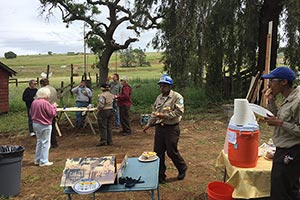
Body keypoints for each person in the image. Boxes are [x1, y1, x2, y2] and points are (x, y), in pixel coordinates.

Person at [262, 66, 300, 200]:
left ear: (283, 82)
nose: (269, 84)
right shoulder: (287, 97)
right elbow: (277, 115)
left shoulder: (298, 100)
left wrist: (280, 123)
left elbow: (282, 121)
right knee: (287, 190)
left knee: (282, 193)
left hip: (292, 152)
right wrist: (271, 100)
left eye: (272, 81)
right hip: (282, 150)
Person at [143, 74, 188, 184]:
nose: (162, 88)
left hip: (171, 128)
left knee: (171, 151)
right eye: (161, 86)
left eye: (164, 86)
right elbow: (155, 113)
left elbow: (179, 112)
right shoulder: (159, 98)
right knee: (158, 153)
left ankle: (182, 168)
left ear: (170, 86)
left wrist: (165, 116)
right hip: (160, 128)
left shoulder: (177, 97)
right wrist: (149, 124)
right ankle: (160, 175)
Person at [30, 87, 57, 166]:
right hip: (44, 124)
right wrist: (54, 107)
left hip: (35, 123)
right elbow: (52, 113)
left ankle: (37, 159)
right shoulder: (45, 103)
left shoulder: (34, 102)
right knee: (45, 142)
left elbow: (30, 112)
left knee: (39, 141)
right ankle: (44, 161)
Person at [40, 78, 59, 148]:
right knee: (52, 126)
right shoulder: (53, 89)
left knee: (44, 127)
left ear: (42, 84)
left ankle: (46, 143)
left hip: (45, 110)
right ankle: (54, 142)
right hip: (53, 108)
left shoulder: (42, 90)